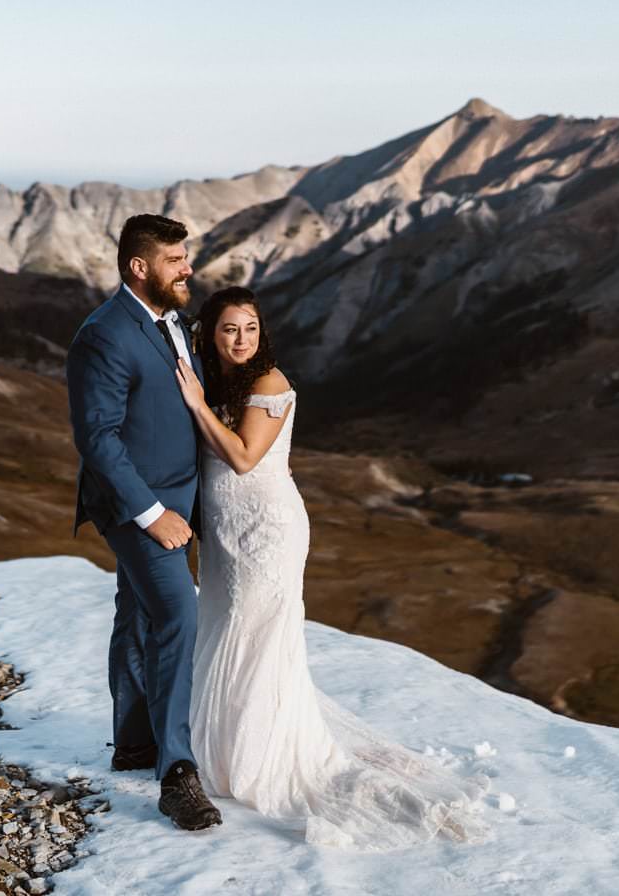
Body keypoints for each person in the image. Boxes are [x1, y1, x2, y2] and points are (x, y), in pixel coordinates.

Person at [173, 286, 488, 850]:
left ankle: (258, 754)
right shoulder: (221, 380)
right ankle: (221, 746)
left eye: (249, 327)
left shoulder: (270, 382)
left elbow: (244, 458)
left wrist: (197, 404)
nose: (241, 339)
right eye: (229, 329)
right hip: (225, 534)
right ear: (210, 334)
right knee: (225, 629)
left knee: (258, 634)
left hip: (266, 529)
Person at [65, 213, 222, 831]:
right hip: (135, 503)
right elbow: (98, 441)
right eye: (176, 260)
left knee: (137, 610)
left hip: (180, 497)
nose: (188, 268)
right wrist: (153, 516)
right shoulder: (102, 335)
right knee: (177, 612)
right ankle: (177, 773)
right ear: (140, 267)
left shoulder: (170, 321)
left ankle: (133, 740)